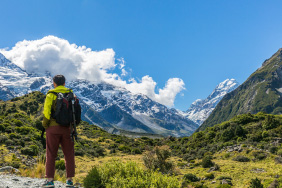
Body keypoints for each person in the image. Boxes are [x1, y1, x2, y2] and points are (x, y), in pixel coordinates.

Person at [41, 75, 75, 188]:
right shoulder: (71, 94)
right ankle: (69, 180)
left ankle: (50, 180)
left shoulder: (51, 94)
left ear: (54, 83)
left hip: (53, 128)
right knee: (69, 154)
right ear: (64, 83)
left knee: (51, 153)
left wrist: (45, 125)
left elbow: (46, 112)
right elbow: (75, 112)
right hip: (67, 129)